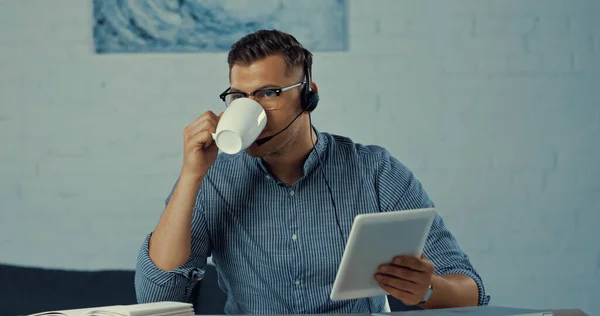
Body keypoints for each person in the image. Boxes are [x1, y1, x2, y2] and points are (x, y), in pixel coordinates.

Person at [134, 29, 490, 314]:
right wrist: (191, 175)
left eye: (268, 93)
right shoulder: (215, 177)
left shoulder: (375, 170)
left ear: (308, 95)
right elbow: (157, 295)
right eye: (239, 96)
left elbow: (472, 291)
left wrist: (427, 289)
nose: (250, 109)